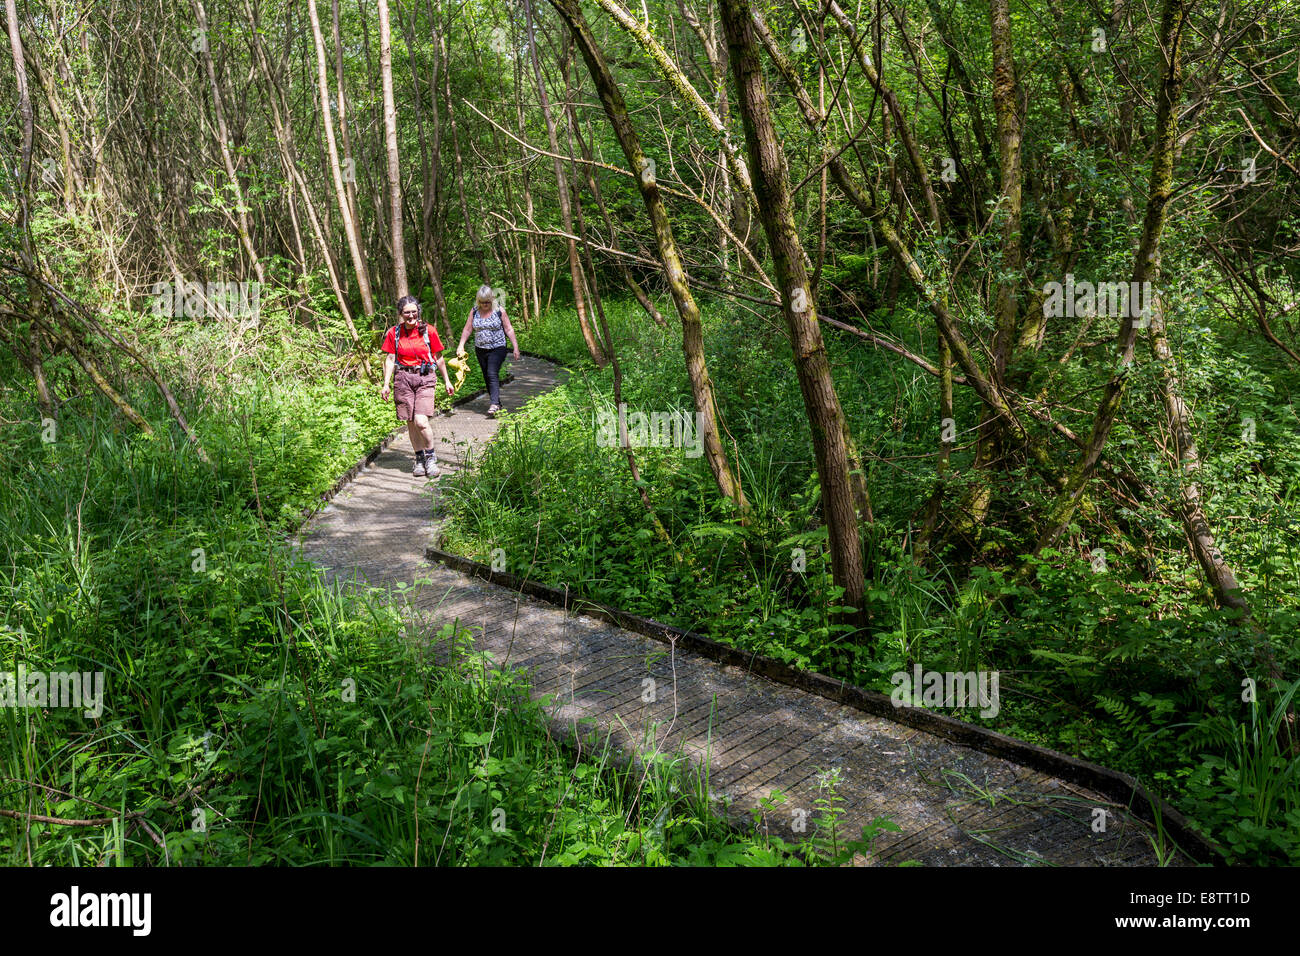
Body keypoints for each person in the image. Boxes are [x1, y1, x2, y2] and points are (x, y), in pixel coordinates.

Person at [379, 296, 455, 477]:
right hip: (403, 378)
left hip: (425, 378)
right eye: (407, 312)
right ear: (401, 314)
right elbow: (389, 359)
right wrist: (386, 384)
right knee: (411, 422)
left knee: (421, 421)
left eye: (414, 311)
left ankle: (431, 458)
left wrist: (447, 380)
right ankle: (419, 459)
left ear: (418, 312)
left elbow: (439, 357)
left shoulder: (428, 331)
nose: (411, 315)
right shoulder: (394, 333)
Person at [456, 285, 520, 417]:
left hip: (498, 347)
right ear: (478, 301)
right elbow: (467, 329)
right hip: (481, 349)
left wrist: (515, 347)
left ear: (492, 299)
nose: (485, 304)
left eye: (488, 302)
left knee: (492, 372)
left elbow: (509, 329)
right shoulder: (474, 312)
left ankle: (494, 403)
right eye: (482, 302)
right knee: (486, 375)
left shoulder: (499, 311)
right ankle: (498, 404)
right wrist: (461, 345)